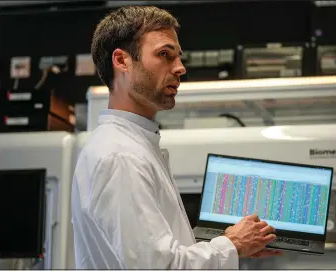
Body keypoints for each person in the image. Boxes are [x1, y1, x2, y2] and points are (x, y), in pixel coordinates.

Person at [71, 5, 280, 269]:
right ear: (122, 61)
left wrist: (235, 247)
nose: (180, 68)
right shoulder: (120, 156)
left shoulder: (133, 144)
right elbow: (161, 266)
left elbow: (157, 254)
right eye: (164, 55)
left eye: (179, 57)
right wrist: (231, 244)